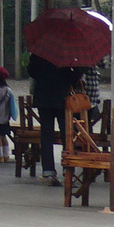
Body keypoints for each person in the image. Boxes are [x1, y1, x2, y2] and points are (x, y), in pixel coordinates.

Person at [28, 51, 82, 185]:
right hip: (62, 98)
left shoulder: (39, 52)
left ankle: (48, 170)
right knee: (67, 134)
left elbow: (32, 72)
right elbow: (74, 76)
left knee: (46, 134)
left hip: (43, 97)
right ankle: (67, 167)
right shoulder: (66, 52)